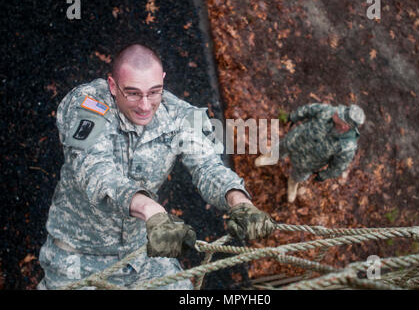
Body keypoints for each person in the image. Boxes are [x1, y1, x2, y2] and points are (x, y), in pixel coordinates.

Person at [37, 44, 275, 290]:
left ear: (163, 81)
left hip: (140, 253)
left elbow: (208, 167)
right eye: (132, 93)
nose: (145, 105)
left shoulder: (182, 116)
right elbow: (96, 172)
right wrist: (150, 210)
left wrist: (238, 200)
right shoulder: (88, 104)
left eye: (154, 92)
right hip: (78, 257)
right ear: (112, 85)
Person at [255, 103, 365, 203]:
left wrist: (324, 175)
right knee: (280, 148)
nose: (336, 112)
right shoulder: (328, 111)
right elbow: (309, 109)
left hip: (308, 163)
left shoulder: (347, 147)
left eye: (339, 115)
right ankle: (271, 157)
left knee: (299, 176)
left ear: (345, 126)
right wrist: (294, 116)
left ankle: (293, 183)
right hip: (295, 140)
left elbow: (339, 166)